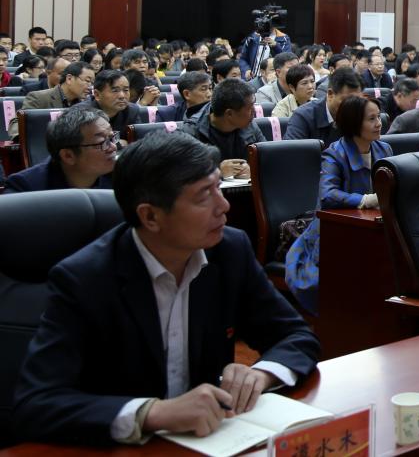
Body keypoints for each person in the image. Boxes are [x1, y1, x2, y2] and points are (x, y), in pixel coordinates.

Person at [12, 132, 319, 444]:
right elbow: (37, 403)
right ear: (150, 216)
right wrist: (153, 413)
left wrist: (262, 374)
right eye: (203, 196)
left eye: (218, 187)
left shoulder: (229, 250)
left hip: (210, 439)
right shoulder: (84, 279)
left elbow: (295, 335)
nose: (224, 205)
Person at [285, 96, 393, 315]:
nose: (379, 123)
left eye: (378, 117)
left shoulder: (385, 149)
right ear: (354, 123)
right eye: (371, 119)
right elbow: (328, 195)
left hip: (376, 228)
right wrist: (365, 200)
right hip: (336, 233)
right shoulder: (334, 154)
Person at [4, 106, 116, 192]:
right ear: (68, 156)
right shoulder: (25, 188)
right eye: (102, 142)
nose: (113, 147)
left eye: (111, 138)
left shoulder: (120, 176)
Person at [182, 79, 267, 179]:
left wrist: (253, 168)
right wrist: (216, 171)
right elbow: (183, 173)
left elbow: (266, 158)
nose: (254, 111)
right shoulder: (191, 130)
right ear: (229, 113)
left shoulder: (248, 123)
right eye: (250, 108)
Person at [12, 61, 94, 137]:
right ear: (69, 79)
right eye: (87, 81)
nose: (90, 87)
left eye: (92, 82)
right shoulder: (38, 97)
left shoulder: (87, 103)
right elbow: (18, 124)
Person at [284, 67, 362, 148]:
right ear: (330, 94)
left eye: (357, 100)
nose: (353, 106)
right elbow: (292, 152)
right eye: (347, 100)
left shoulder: (360, 114)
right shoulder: (303, 116)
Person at [87, 69, 143, 140]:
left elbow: (141, 141)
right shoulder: (82, 114)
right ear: (97, 94)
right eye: (115, 90)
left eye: (126, 90)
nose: (122, 96)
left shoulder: (132, 111)